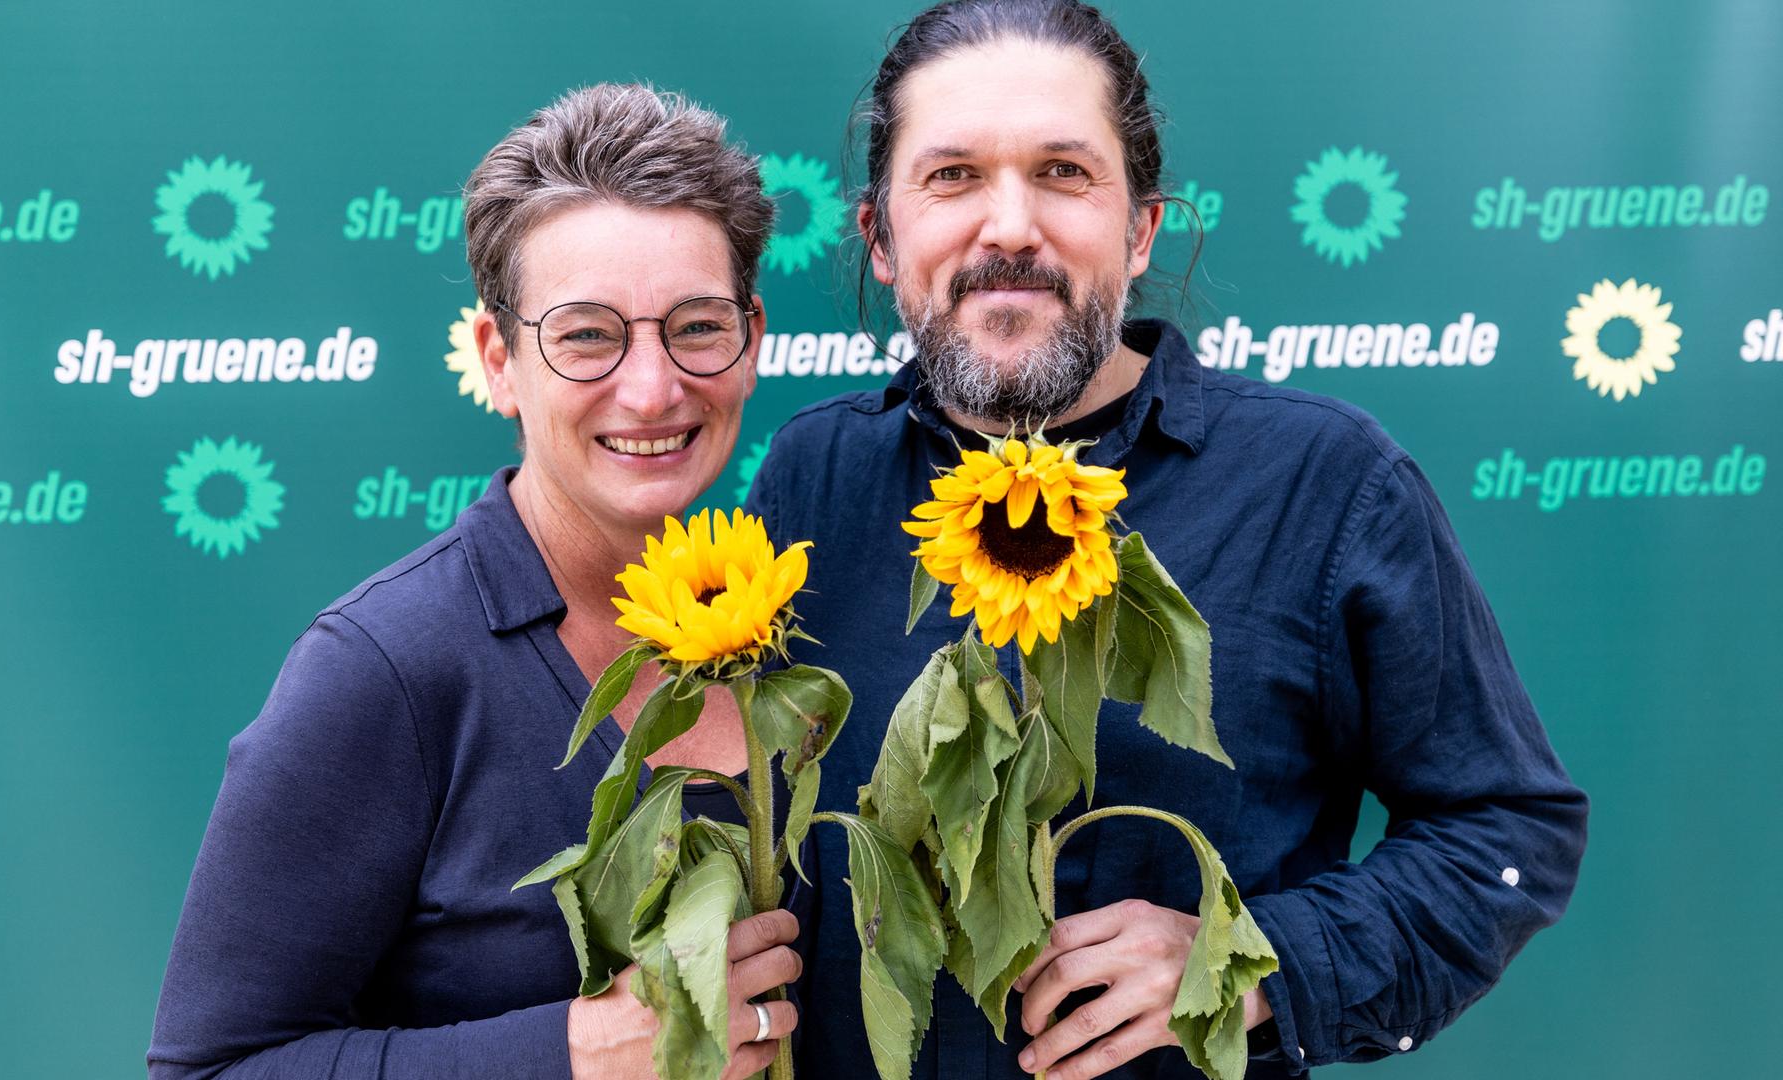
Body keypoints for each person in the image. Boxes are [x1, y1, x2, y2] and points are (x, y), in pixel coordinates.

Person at [746, 2, 1590, 1078]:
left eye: (1063, 172)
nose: (1010, 226)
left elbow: (1508, 831)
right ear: (878, 233)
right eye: (952, 176)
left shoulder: (1325, 488)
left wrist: (1254, 966)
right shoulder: (811, 483)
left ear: (1141, 227)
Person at [149, 83, 804, 1080]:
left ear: (750, 340)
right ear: (499, 359)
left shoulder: (802, 618)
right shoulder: (387, 669)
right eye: (588, 334)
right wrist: (576, 1053)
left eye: (697, 326)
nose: (652, 386)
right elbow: (210, 1070)